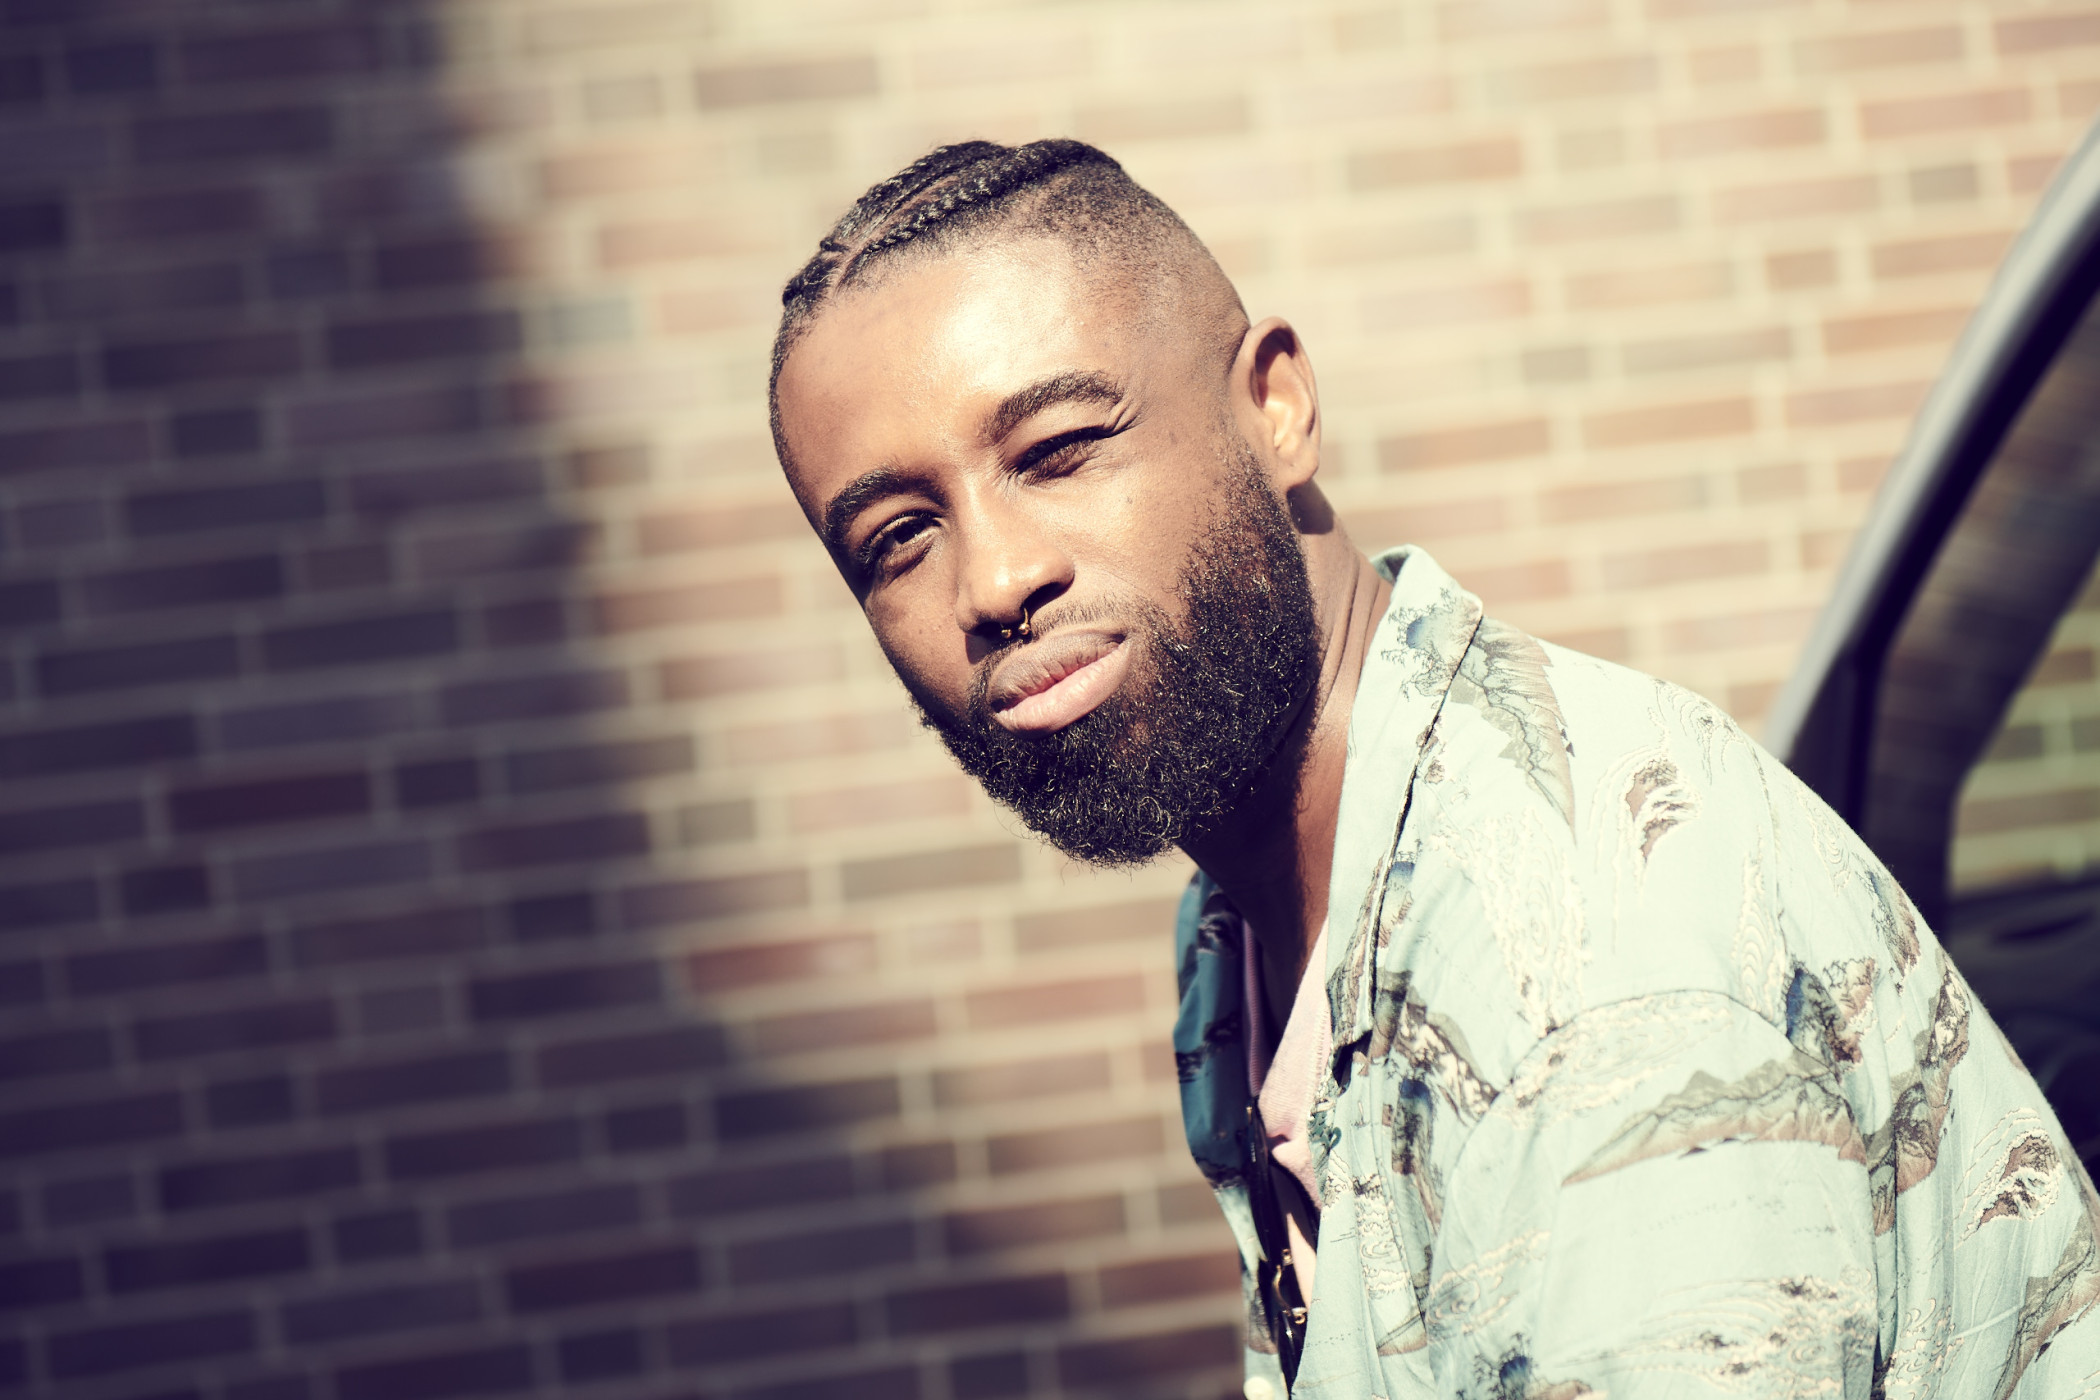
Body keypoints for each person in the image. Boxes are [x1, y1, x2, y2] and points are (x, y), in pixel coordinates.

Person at [766, 138, 2100, 1399]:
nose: (995, 580)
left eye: (1057, 452)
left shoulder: (1581, 979)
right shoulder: (1260, 922)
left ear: (1276, 408)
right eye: (899, 538)